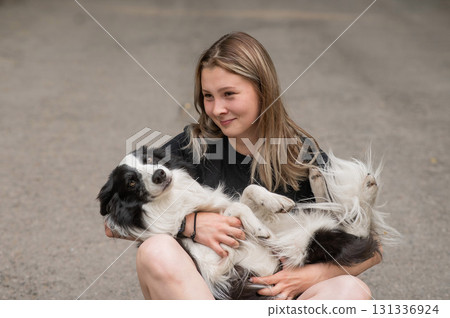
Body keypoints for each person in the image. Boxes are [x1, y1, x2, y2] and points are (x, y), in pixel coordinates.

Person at [105, 32, 382, 300]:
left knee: (351, 290)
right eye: (208, 96)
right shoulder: (190, 147)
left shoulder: (301, 154)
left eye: (229, 94)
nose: (217, 109)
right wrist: (187, 226)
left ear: (262, 90)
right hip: (210, 294)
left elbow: (373, 249)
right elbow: (113, 223)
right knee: (155, 250)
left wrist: (309, 277)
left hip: (282, 294)